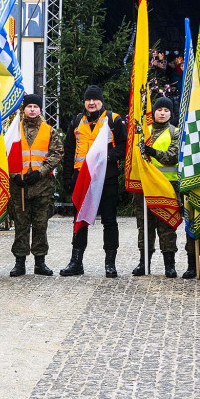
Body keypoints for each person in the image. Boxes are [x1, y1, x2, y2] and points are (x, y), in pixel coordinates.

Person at [60, 85, 127, 278]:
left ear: (101, 101)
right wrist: (67, 178)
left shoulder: (113, 120)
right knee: (79, 220)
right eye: (88, 100)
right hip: (82, 179)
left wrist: (108, 156)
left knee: (109, 220)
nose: (91, 103)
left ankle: (110, 264)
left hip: (107, 179)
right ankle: (76, 262)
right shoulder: (76, 122)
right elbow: (69, 152)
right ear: (84, 102)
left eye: (95, 100)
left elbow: (123, 147)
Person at [9, 94, 62, 277]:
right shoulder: (14, 129)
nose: (32, 109)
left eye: (35, 106)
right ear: (24, 109)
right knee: (21, 225)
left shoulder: (49, 131)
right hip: (20, 186)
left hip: (42, 186)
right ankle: (19, 262)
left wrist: (40, 172)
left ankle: (40, 262)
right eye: (29, 106)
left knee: (40, 225)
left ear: (40, 109)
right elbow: (5, 152)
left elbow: (57, 154)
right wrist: (15, 175)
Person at [135, 99, 179, 278]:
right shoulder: (144, 132)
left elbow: (172, 157)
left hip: (167, 186)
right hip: (145, 186)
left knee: (167, 225)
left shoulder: (175, 132)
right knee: (145, 226)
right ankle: (143, 263)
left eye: (166, 110)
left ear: (170, 113)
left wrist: (152, 152)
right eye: (159, 109)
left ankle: (170, 264)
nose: (162, 113)